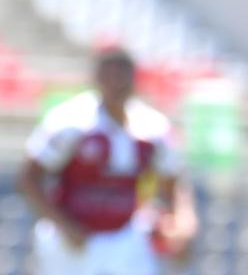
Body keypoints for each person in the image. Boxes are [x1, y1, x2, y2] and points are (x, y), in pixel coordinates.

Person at [16, 45, 199, 275]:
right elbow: (29, 178)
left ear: (134, 79)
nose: (116, 83)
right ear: (97, 78)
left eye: (122, 75)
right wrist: (63, 225)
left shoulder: (152, 127)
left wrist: (183, 221)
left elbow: (173, 180)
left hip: (126, 236)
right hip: (74, 238)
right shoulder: (69, 122)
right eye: (109, 75)